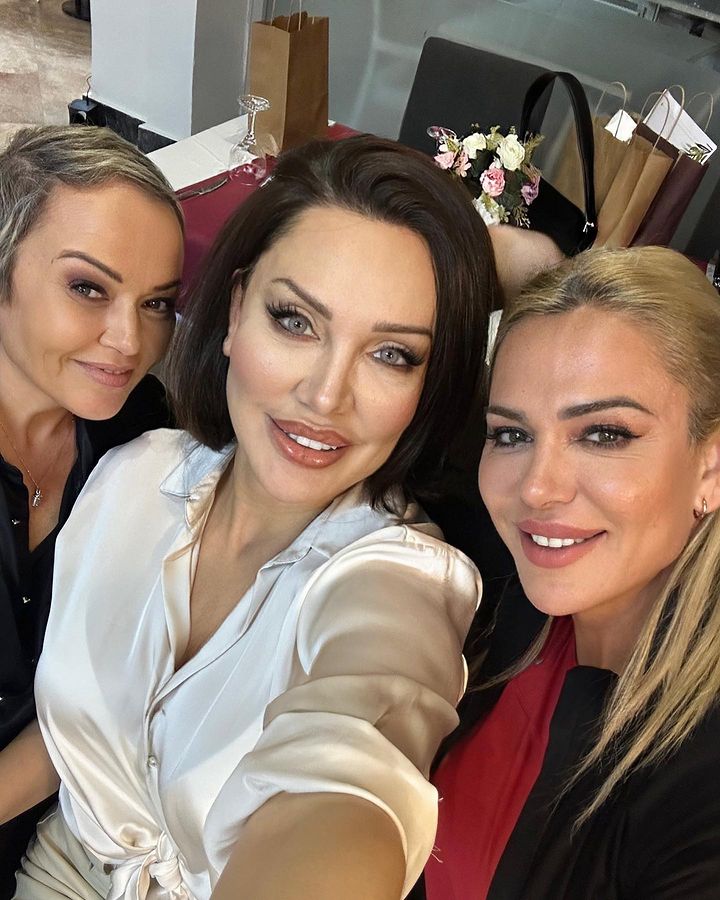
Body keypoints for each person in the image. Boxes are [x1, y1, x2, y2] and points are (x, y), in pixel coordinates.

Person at [1, 135, 500, 900]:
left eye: (392, 354)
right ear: (236, 312)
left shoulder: (398, 583)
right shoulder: (134, 472)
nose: (325, 396)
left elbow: (352, 769)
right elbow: (79, 728)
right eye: (296, 320)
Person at [421, 246, 720, 899]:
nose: (536, 488)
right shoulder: (517, 597)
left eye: (604, 434)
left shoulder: (697, 788)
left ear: (711, 465)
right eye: (511, 435)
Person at [0, 125, 184, 896]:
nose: (129, 340)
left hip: (76, 833)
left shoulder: (138, 432)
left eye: (157, 303)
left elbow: (119, 682)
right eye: (88, 288)